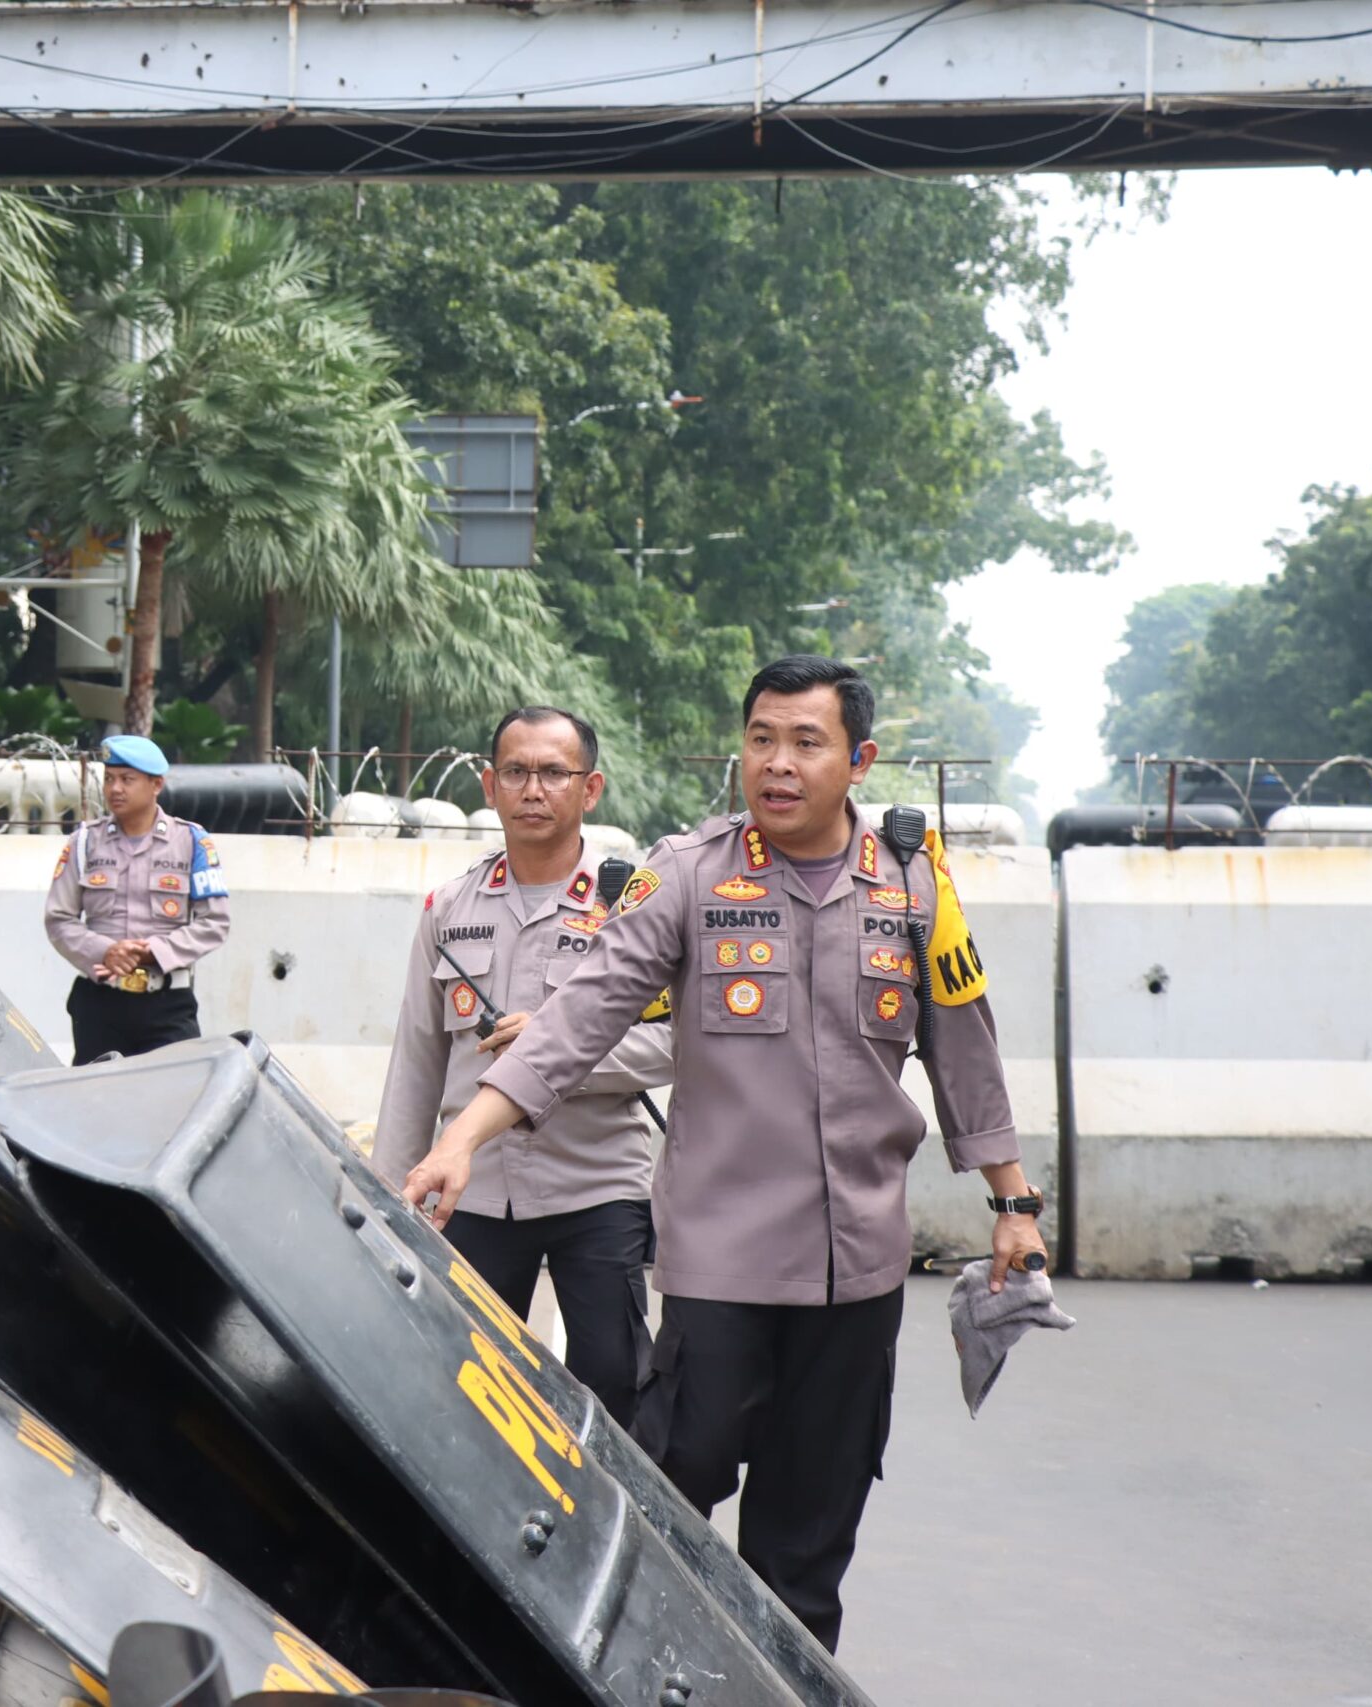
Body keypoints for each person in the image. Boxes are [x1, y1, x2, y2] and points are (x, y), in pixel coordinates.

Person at [400, 655, 1047, 1653]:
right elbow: (580, 1016)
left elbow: (961, 1039)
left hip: (856, 1266)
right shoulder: (688, 872)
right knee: (675, 1478)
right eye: (761, 739)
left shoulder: (913, 878)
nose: (777, 763)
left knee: (809, 1529)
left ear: (858, 761)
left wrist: (1012, 1202)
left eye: (805, 742)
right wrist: (460, 1138)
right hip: (719, 1262)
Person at [369, 706, 672, 1427]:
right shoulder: (450, 907)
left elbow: (671, 1045)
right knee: (465, 1379)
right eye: (515, 771)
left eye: (554, 773)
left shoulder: (633, 904)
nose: (533, 789)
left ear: (590, 788)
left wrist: (555, 1045)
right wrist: (389, 1194)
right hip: (473, 1188)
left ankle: (605, 1500)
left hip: (596, 1182)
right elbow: (418, 1055)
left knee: (613, 1377)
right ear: (489, 785)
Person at [44, 733, 231, 1065]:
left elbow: (214, 922)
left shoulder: (191, 842)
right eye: (109, 779)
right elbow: (59, 920)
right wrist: (105, 951)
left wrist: (154, 951)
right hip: (100, 1003)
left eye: (127, 780)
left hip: (167, 1004)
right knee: (94, 1093)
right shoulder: (84, 843)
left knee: (176, 1090)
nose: (115, 789)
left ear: (156, 784)